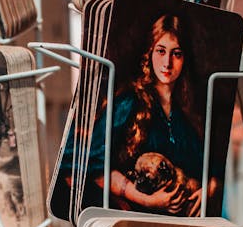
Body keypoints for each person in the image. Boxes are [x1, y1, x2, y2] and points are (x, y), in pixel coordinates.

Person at [84, 13, 219, 215]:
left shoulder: (188, 112)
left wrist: (208, 191)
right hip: (135, 223)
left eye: (177, 53)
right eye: (161, 51)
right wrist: (147, 201)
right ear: (149, 53)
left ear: (185, 59)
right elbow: (94, 165)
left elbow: (213, 168)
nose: (167, 63)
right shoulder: (129, 101)